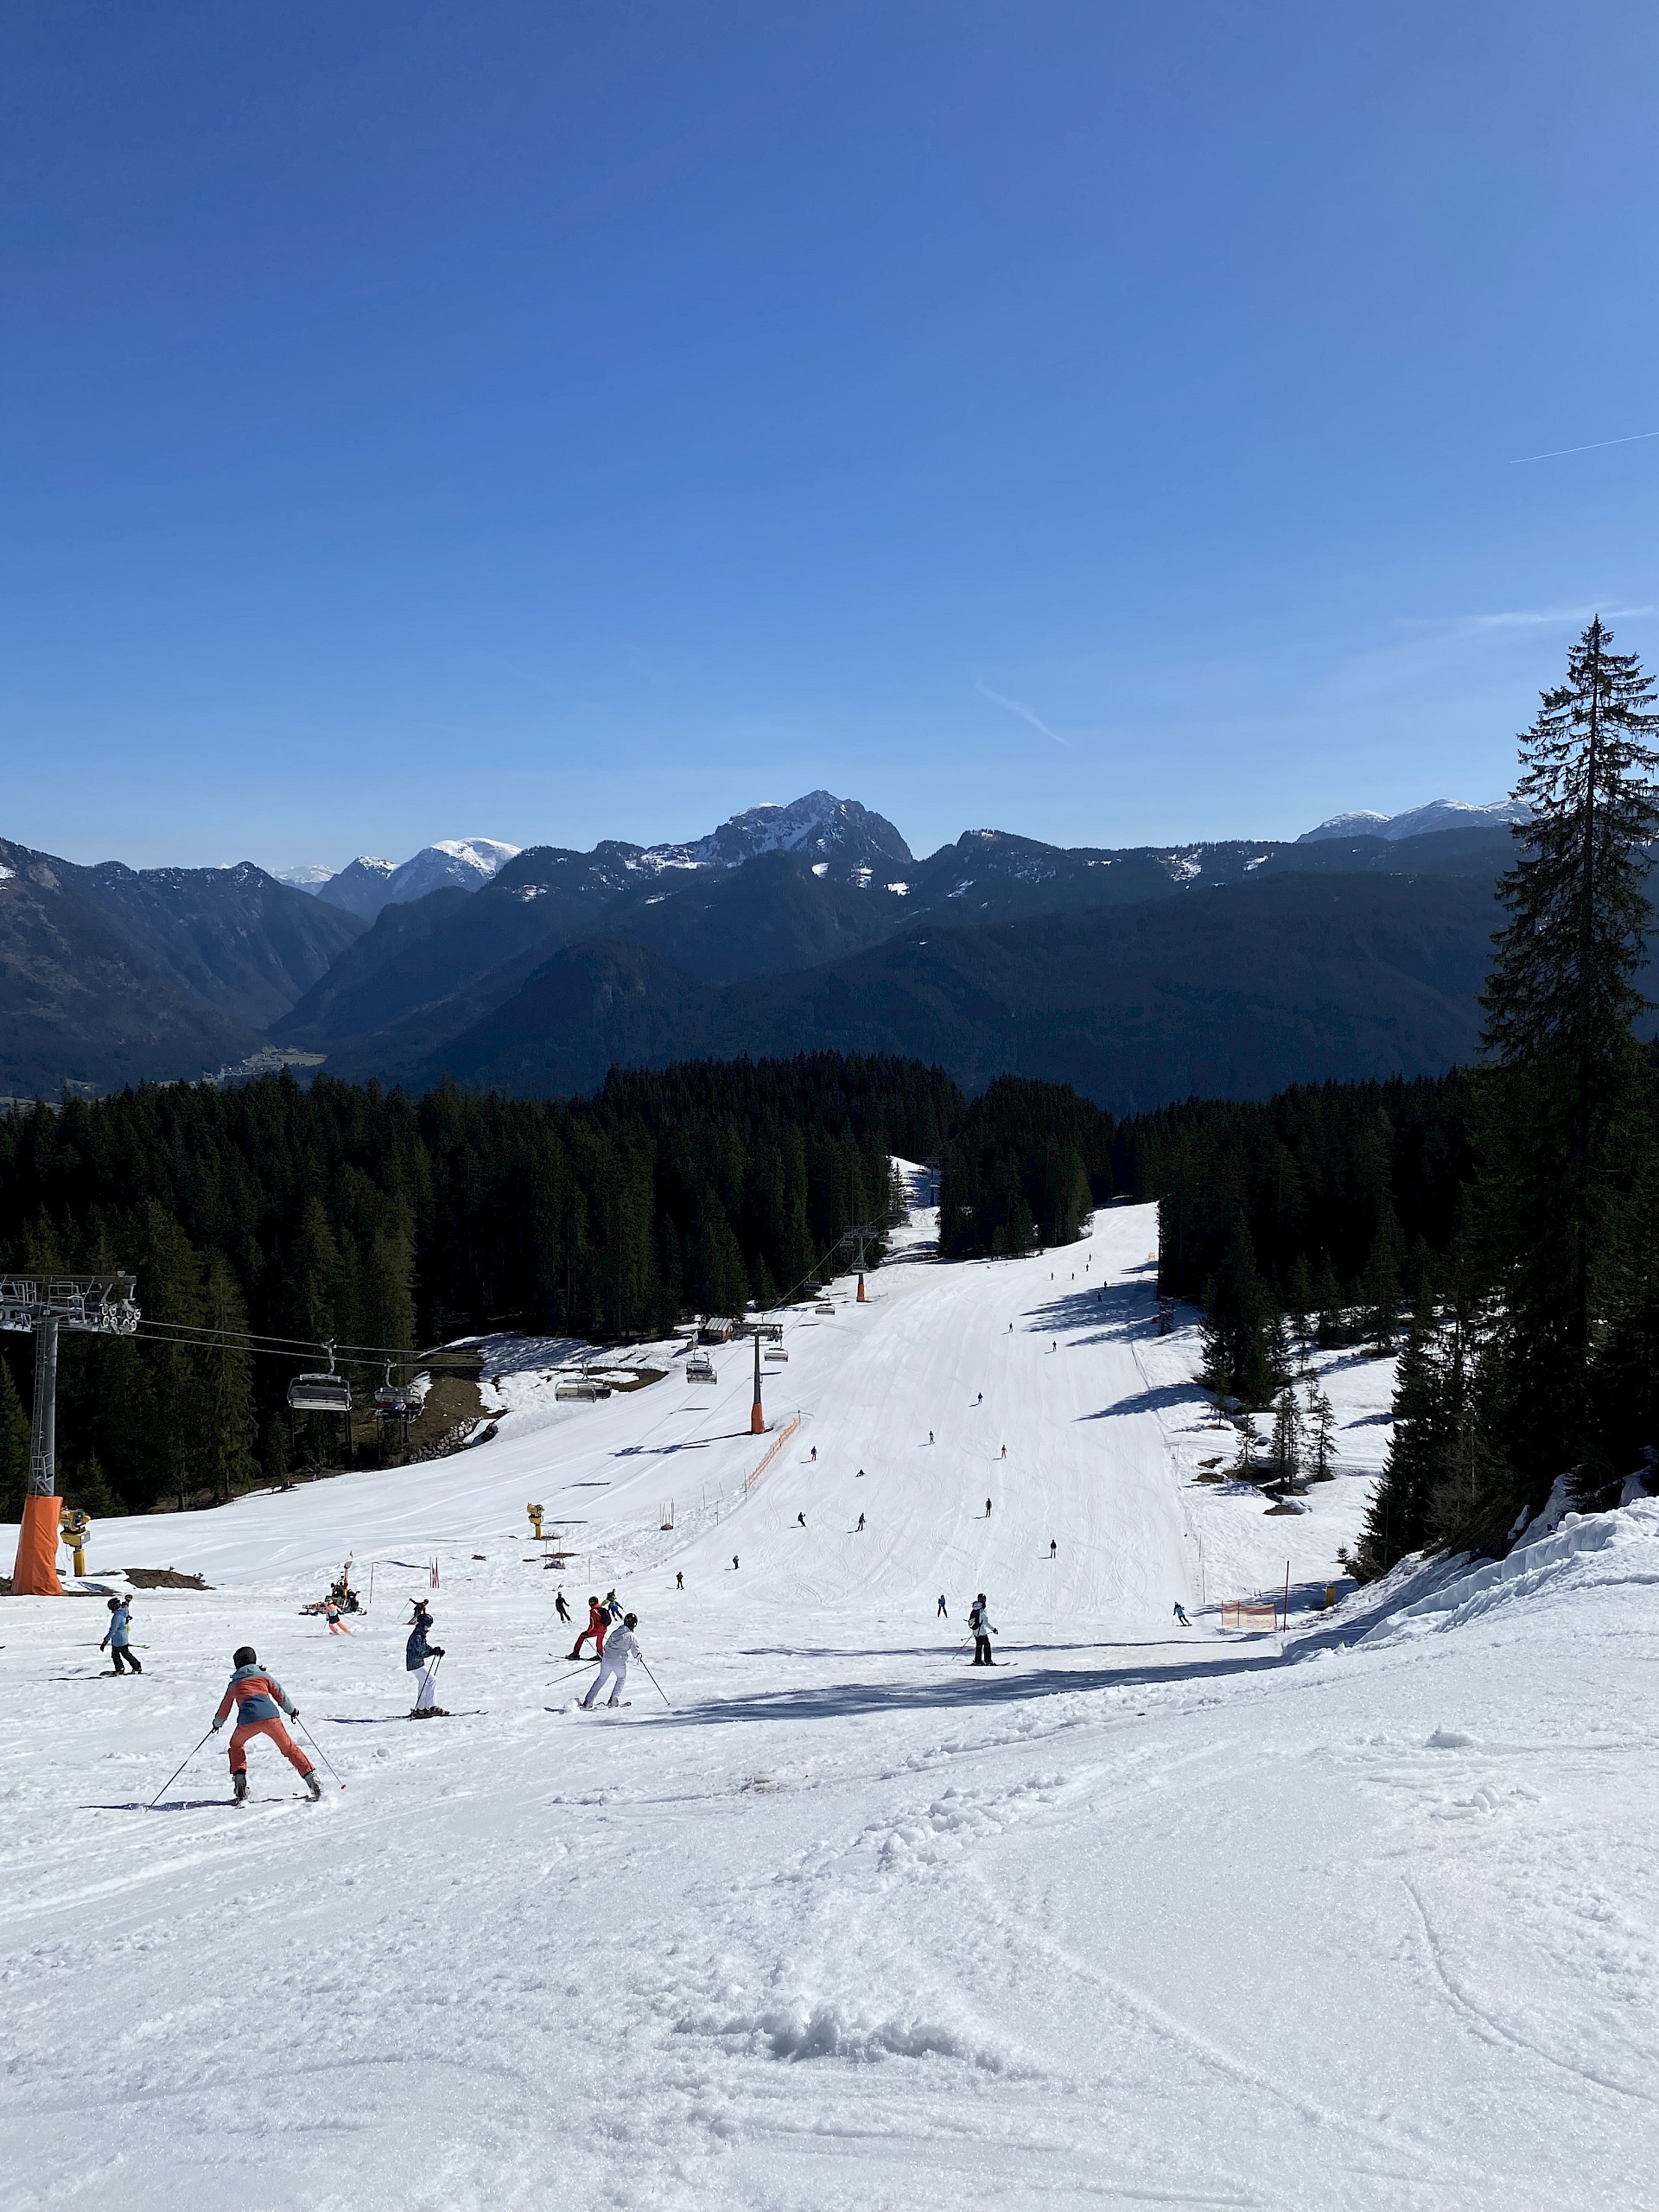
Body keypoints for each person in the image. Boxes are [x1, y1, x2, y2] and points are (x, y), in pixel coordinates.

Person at [213, 1644, 321, 1802]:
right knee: (289, 1748)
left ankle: (240, 1783)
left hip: (247, 1722)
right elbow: (280, 1694)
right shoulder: (264, 1676)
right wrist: (291, 1710)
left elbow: (225, 1707)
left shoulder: (234, 1684)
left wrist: (217, 1723)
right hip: (271, 1718)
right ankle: (312, 1778)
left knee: (235, 1745)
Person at [582, 1611, 641, 1708]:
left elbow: (606, 1646)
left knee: (601, 1679)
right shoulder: (632, 1636)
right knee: (621, 1678)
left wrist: (608, 1656)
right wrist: (639, 1655)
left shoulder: (616, 1632)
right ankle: (614, 1699)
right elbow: (635, 1653)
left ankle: (588, 1701)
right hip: (619, 1662)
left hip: (607, 1659)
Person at [406, 1603, 448, 1718]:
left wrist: (434, 1650)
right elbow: (419, 1652)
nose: (428, 1628)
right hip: (415, 1662)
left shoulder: (420, 1634)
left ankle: (421, 1709)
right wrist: (432, 1652)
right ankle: (431, 1707)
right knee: (431, 1680)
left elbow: (424, 1647)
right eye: (428, 1626)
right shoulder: (417, 1636)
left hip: (416, 1662)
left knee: (424, 1682)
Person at [101, 1596, 142, 1674]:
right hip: (121, 1638)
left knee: (123, 1654)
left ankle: (135, 1667)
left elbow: (113, 1630)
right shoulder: (123, 1611)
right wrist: (127, 1602)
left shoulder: (117, 1616)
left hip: (119, 1639)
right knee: (117, 1654)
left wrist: (106, 1640)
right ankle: (123, 1668)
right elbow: (126, 1608)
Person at [569, 1597, 607, 1661]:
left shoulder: (593, 1611)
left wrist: (588, 1632)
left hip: (597, 1630)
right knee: (599, 1641)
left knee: (582, 1636)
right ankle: (600, 1655)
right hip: (604, 1629)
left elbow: (592, 1624)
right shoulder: (600, 1609)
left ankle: (575, 1653)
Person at [968, 1594, 997, 1667]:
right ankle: (988, 1661)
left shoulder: (974, 1609)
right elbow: (986, 1623)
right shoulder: (982, 1610)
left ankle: (978, 1661)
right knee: (987, 1645)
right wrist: (993, 1629)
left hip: (975, 1632)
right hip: (982, 1632)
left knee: (979, 1645)